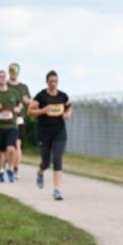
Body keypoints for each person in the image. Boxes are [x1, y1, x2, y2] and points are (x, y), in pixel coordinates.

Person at [28, 70, 72, 201]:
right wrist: (43, 110)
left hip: (59, 132)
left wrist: (68, 114)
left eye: (56, 81)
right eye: (51, 81)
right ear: (47, 82)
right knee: (46, 163)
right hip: (44, 133)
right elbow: (30, 111)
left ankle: (57, 190)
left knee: (57, 159)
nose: (54, 84)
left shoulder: (63, 96)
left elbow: (69, 106)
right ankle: (40, 172)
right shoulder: (41, 96)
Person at [0, 70, 24, 183]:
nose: (2, 79)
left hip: (12, 126)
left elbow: (20, 103)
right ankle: (1, 171)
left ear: (6, 78)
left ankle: (11, 169)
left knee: (11, 149)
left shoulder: (13, 93)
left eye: (3, 77)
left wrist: (19, 108)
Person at [7, 62, 31, 180]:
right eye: (11, 70)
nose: (13, 72)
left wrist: (26, 101)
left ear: (18, 72)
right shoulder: (4, 85)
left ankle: (15, 169)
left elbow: (28, 101)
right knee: (6, 146)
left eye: (15, 70)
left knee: (17, 145)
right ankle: (8, 163)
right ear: (9, 71)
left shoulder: (23, 87)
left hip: (18, 119)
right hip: (5, 119)